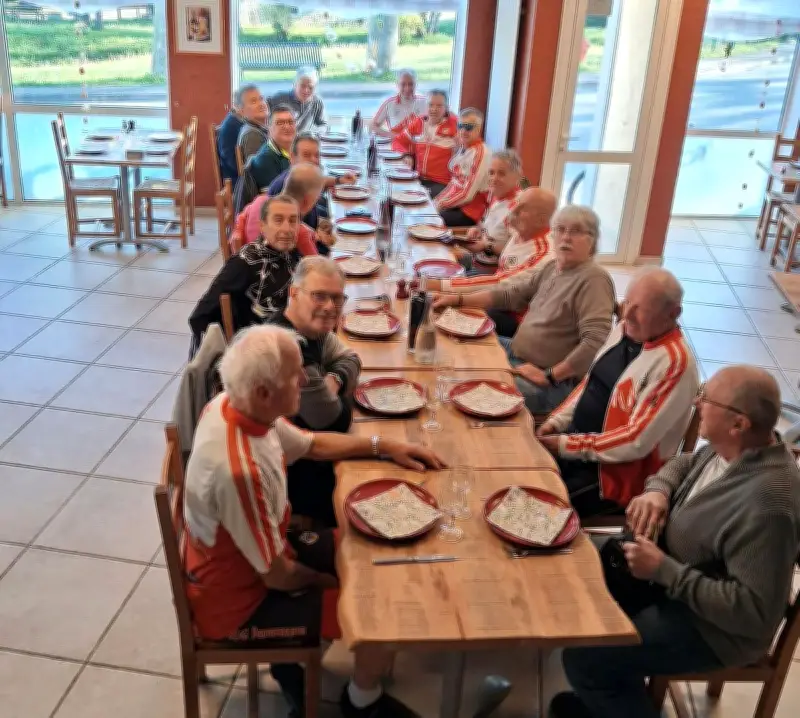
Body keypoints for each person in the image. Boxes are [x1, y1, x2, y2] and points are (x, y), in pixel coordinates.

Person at [183, 323, 445, 718]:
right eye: (295, 375)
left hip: (257, 558)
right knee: (383, 606)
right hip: (238, 605)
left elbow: (313, 445)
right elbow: (277, 576)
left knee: (375, 556)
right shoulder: (239, 471)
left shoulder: (234, 405)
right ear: (264, 392)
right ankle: (360, 701)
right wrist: (325, 580)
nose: (306, 379)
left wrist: (387, 446)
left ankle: (297, 667)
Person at [551, 365, 800, 718]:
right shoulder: (735, 447)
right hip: (671, 580)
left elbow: (754, 615)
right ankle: (606, 701)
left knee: (585, 660)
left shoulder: (768, 505)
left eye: (706, 398)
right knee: (577, 581)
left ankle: (607, 691)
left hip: (712, 629)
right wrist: (659, 490)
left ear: (738, 423)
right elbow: (684, 463)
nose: (697, 403)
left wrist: (665, 571)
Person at [537, 268, 700, 517]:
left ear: (674, 314)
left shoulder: (674, 363)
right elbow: (591, 383)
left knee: (534, 505)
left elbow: (635, 441)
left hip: (615, 478)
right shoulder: (625, 329)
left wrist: (564, 445)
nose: (628, 315)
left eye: (641, 309)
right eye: (627, 303)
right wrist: (556, 422)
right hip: (577, 447)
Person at [432, 205, 615, 414]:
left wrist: (550, 375)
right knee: (451, 346)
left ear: (592, 240)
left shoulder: (594, 279)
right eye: (560, 229)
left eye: (576, 231)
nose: (566, 237)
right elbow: (509, 295)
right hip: (516, 352)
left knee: (462, 386)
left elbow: (595, 340)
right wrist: (457, 300)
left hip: (549, 381)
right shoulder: (553, 268)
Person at [270, 257, 360, 526]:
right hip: (290, 489)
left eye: (337, 298)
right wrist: (343, 398)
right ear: (294, 293)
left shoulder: (311, 329)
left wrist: (334, 379)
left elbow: (352, 358)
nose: (330, 306)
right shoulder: (290, 348)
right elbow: (335, 420)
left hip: (305, 460)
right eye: (319, 296)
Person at [424, 185, 555, 338]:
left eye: (523, 208)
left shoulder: (542, 255)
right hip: (496, 299)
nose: (514, 209)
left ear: (541, 220)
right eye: (517, 202)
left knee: (444, 315)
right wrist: (479, 231)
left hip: (515, 321)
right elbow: (494, 232)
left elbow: (499, 284)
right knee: (438, 301)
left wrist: (440, 285)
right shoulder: (523, 229)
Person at [189, 195, 302, 353]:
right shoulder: (245, 262)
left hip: (293, 334)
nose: (287, 228)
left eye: (293, 221)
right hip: (262, 350)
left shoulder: (292, 254)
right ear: (262, 226)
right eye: (278, 220)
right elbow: (200, 316)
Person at [229, 163, 329, 257]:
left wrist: (237, 232)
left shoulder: (260, 200)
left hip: (247, 260)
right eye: (316, 199)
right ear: (308, 200)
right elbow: (316, 265)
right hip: (270, 268)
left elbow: (241, 216)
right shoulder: (298, 232)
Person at [267, 133, 357, 231]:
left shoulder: (300, 177)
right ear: (292, 158)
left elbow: (318, 180)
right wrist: (318, 234)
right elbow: (292, 232)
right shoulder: (285, 188)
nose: (314, 160)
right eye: (306, 155)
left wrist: (339, 180)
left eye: (317, 155)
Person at [456, 149, 524, 273]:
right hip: (478, 261)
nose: (494, 178)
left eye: (501, 174)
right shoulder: (496, 196)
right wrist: (478, 230)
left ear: (517, 176)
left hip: (496, 273)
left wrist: (486, 246)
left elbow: (517, 254)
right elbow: (491, 229)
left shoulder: (518, 209)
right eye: (491, 173)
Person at [434, 108, 492, 227]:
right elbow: (454, 183)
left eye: (468, 127)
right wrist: (437, 201)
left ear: (478, 129)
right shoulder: (465, 148)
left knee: (432, 220)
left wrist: (441, 204)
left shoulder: (481, 152)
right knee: (427, 210)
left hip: (471, 211)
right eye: (460, 126)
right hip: (458, 204)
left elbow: (467, 194)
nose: (463, 131)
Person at [234, 105, 297, 214]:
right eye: (280, 123)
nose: (287, 126)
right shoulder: (265, 159)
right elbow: (274, 204)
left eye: (290, 122)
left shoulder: (291, 152)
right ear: (269, 128)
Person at [395, 89, 457, 197]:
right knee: (396, 192)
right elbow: (398, 141)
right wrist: (406, 155)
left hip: (442, 183)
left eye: (439, 106)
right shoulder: (419, 122)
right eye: (430, 105)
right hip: (417, 177)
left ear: (446, 108)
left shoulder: (455, 125)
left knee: (414, 198)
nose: (434, 109)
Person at [218, 84, 268, 183]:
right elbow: (258, 172)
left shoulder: (251, 123)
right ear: (240, 109)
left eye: (261, 99)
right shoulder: (246, 131)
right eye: (253, 101)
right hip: (239, 182)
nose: (261, 104)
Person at [369, 69, 427, 149]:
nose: (407, 88)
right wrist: (392, 135)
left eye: (411, 84)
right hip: (397, 148)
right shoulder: (389, 103)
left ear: (415, 85)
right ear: (397, 85)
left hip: (421, 147)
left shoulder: (426, 102)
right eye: (403, 84)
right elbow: (372, 126)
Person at [269, 66, 327, 134]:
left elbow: (323, 125)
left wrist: (314, 134)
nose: (306, 90)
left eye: (311, 87)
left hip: (304, 139)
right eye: (302, 86)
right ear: (295, 85)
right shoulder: (279, 99)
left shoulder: (317, 102)